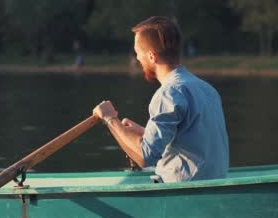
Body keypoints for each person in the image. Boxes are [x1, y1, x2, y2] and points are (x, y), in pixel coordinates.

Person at [93, 16, 229, 183]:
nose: (137, 59)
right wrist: (145, 133)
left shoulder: (169, 93)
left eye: (138, 53)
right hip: (215, 182)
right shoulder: (208, 89)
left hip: (185, 188)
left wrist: (109, 118)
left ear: (151, 56)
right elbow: (191, 139)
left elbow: (145, 157)